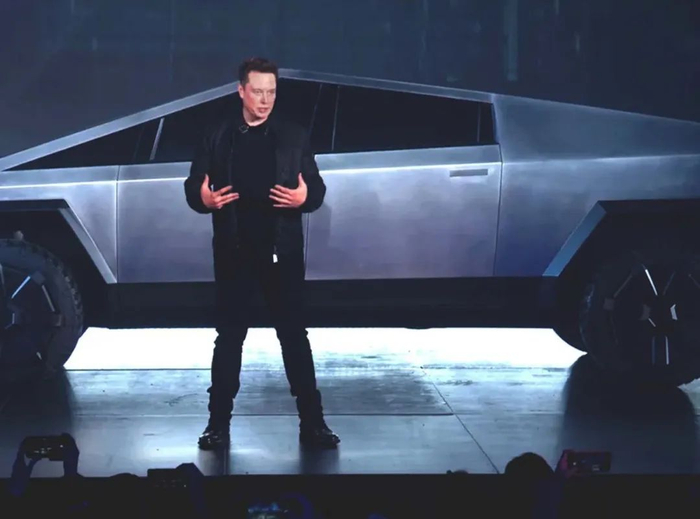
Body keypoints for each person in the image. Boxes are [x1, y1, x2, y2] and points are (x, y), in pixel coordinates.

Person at [184, 57, 340, 450]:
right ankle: (217, 425)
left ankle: (313, 424)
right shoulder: (217, 135)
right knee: (229, 338)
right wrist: (203, 199)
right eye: (258, 92)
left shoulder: (293, 135)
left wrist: (306, 197)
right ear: (241, 91)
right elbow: (193, 186)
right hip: (234, 252)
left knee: (294, 337)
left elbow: (316, 189)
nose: (265, 100)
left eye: (271, 92)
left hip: (281, 253)